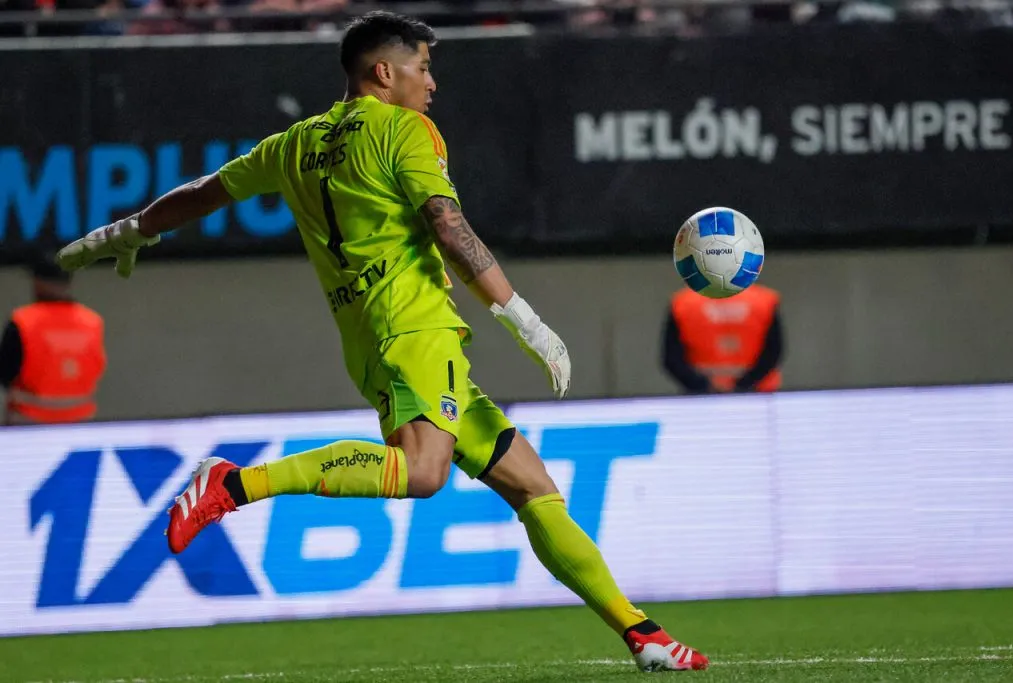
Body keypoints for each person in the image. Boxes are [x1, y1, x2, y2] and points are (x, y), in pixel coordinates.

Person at [56, 11, 708, 672]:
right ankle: (234, 481)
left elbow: (203, 193)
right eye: (423, 68)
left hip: (371, 339)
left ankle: (640, 633)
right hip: (414, 332)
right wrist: (526, 321)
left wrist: (132, 230)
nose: (432, 84)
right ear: (383, 72)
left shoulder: (292, 144)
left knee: (532, 485)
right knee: (423, 472)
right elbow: (448, 227)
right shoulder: (405, 130)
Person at [1, 252, 107, 425]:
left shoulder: (22, 321)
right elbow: (97, 366)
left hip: (28, 420)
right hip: (80, 420)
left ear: (38, 282)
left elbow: (6, 372)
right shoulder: (92, 321)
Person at [662, 282, 783, 394]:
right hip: (758, 394)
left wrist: (702, 385)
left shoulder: (683, 301)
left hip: (700, 398)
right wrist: (743, 384)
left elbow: (672, 358)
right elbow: (773, 352)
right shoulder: (764, 300)